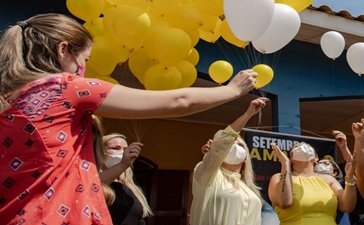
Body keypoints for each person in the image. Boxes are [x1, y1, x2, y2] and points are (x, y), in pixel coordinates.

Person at [0, 13, 258, 224]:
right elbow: (178, 103)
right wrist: (232, 90)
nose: (84, 68)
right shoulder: (65, 87)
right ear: (63, 50)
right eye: (84, 59)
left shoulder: (7, 101)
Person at [191, 97, 268, 225]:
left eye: (240, 145)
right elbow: (222, 140)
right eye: (231, 144)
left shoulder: (248, 187)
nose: (234, 147)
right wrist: (248, 114)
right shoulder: (209, 176)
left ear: (245, 157)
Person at [269, 140, 357, 224]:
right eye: (296, 147)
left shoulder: (328, 179)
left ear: (316, 158)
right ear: (290, 158)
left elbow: (347, 207)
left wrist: (349, 177)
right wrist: (285, 164)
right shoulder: (278, 177)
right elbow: (284, 203)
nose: (302, 146)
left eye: (307, 146)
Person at [99, 134, 152, 225]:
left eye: (126, 150)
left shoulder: (129, 187)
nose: (123, 153)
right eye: (116, 148)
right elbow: (94, 185)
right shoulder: (90, 180)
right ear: (100, 152)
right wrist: (123, 164)